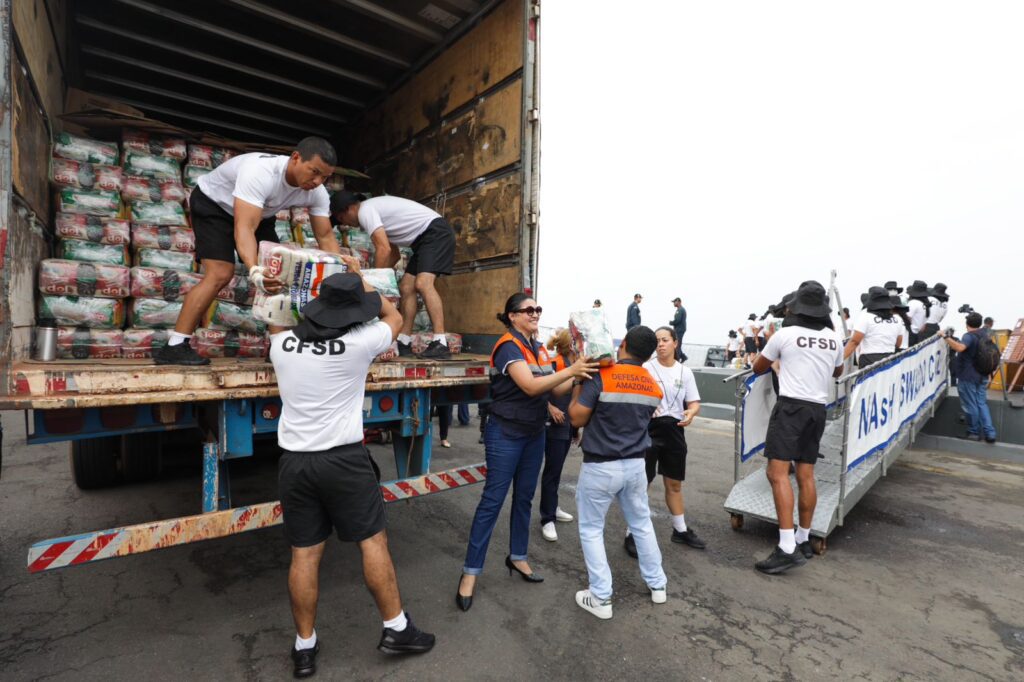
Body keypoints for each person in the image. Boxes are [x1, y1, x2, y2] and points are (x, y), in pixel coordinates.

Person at [269, 265, 435, 677]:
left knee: (304, 555)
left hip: (295, 462)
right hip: (344, 460)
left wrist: (277, 288)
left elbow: (273, 316)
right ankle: (396, 628)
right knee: (371, 543)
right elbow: (394, 316)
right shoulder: (361, 342)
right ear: (352, 313)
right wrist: (366, 287)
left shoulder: (282, 345)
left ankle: (304, 646)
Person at [456, 295, 598, 611]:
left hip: (534, 433)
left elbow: (552, 389)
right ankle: (470, 572)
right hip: (505, 432)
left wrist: (579, 374)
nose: (535, 313)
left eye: (538, 309)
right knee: (492, 502)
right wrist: (571, 369)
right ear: (512, 316)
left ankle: (518, 557)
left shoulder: (538, 347)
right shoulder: (508, 345)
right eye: (528, 310)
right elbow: (531, 387)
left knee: (524, 499)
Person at [155, 137, 340, 365]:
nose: (317, 181)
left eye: (325, 177)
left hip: (258, 213)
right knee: (221, 273)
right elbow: (244, 228)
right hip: (214, 205)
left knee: (278, 272)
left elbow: (325, 236)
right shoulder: (260, 172)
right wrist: (254, 270)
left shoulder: (317, 191)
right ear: (295, 158)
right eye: (314, 172)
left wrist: (342, 272)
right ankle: (175, 346)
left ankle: (279, 348)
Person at [569, 326, 668, 619]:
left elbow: (576, 417)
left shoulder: (603, 375)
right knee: (642, 524)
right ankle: (658, 585)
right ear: (649, 353)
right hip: (636, 465)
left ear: (622, 344)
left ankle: (601, 597)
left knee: (591, 529)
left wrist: (577, 381)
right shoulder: (653, 385)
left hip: (601, 465)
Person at [751, 281, 843, 575]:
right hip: (818, 409)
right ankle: (803, 538)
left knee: (776, 474)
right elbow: (838, 370)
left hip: (791, 407)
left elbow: (757, 367)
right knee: (806, 474)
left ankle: (787, 547)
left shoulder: (785, 335)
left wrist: (779, 360)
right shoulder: (833, 338)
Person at [331, 191, 456, 360]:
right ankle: (404, 340)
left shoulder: (365, 211)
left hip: (434, 232)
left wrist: (373, 284)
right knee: (406, 287)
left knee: (423, 283)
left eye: (340, 219)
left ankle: (440, 342)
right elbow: (394, 254)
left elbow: (383, 249)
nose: (344, 225)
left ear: (346, 210)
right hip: (423, 239)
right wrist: (383, 282)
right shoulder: (374, 212)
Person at [622, 326, 703, 558]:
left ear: (675, 343)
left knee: (674, 484)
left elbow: (694, 402)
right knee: (641, 484)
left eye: (665, 340)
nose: (660, 344)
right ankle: (631, 533)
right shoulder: (645, 368)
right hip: (648, 430)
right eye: (657, 340)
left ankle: (680, 529)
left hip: (675, 431)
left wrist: (691, 413)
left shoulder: (685, 372)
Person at [539, 329, 578, 542]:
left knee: (557, 470)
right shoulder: (556, 364)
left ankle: (552, 506)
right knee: (552, 472)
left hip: (567, 425)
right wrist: (550, 407)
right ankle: (547, 519)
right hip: (553, 425)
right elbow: (539, 389)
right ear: (571, 345)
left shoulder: (577, 366)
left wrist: (577, 429)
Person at [940, 312, 997, 443]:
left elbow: (960, 348)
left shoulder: (969, 336)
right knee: (981, 404)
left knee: (970, 405)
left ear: (967, 324)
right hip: (982, 375)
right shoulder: (985, 334)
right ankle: (990, 433)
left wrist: (945, 337)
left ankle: (973, 432)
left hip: (968, 376)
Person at [844, 287, 903, 368]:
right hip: (890, 358)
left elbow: (854, 341)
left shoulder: (865, 316)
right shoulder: (897, 319)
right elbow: (898, 343)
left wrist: (840, 360)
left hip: (869, 359)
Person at [905, 280, 932, 346]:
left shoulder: (913, 303)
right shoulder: (925, 306)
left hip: (909, 334)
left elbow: (906, 318)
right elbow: (923, 327)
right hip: (917, 334)